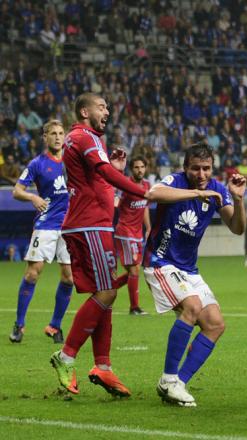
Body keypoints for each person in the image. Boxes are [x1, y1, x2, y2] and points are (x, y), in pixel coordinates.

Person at [49, 92, 153, 397]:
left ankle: (103, 368)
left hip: (87, 222)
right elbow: (104, 173)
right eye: (101, 106)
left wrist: (116, 171)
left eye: (108, 106)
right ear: (85, 110)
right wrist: (140, 191)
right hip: (90, 224)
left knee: (104, 296)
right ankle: (66, 356)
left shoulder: (76, 138)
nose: (107, 111)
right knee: (107, 292)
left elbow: (98, 177)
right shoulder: (86, 136)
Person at [143, 143, 247, 407]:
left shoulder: (217, 190)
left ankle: (178, 383)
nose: (201, 174)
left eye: (206, 169)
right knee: (192, 306)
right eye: (196, 169)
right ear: (185, 168)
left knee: (215, 324)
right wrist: (192, 194)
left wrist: (237, 199)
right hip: (160, 261)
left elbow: (237, 228)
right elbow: (153, 193)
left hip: (189, 269)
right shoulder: (175, 182)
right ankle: (167, 380)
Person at [9, 120, 73, 344]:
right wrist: (32, 197)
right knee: (33, 273)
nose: (57, 137)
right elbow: (17, 191)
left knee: (69, 277)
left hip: (70, 226)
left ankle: (54, 326)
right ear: (45, 137)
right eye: (53, 133)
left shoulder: (73, 161)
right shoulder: (37, 163)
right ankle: (19, 324)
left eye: (61, 133)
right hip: (46, 224)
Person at [114, 155, 151, 315]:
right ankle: (134, 307)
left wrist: (148, 227)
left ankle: (108, 287)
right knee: (135, 270)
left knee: (133, 272)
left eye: (142, 167)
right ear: (132, 169)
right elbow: (115, 202)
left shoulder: (147, 185)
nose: (140, 170)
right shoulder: (126, 185)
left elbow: (145, 207)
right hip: (125, 232)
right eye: (136, 167)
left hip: (137, 234)